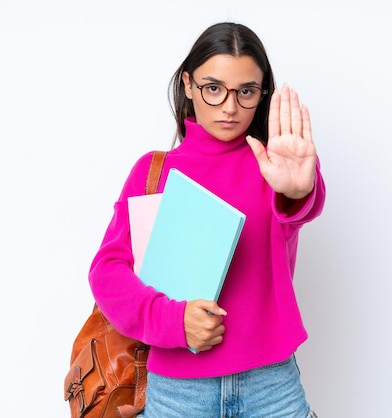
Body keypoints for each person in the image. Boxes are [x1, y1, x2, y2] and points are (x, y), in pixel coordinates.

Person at [88, 22, 325, 417]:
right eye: (213, 88)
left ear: (262, 93)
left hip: (272, 386)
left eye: (246, 91)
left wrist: (298, 189)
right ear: (188, 84)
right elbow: (107, 273)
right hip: (178, 393)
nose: (230, 108)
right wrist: (173, 320)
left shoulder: (275, 165)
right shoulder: (154, 172)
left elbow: (299, 205)